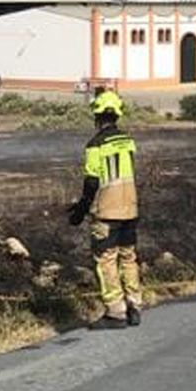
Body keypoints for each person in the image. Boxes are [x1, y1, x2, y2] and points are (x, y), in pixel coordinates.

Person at [67, 89, 142, 329]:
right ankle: (134, 305)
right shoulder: (128, 140)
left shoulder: (95, 145)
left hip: (107, 211)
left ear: (97, 116)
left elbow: (92, 181)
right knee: (128, 257)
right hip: (130, 208)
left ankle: (115, 312)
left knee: (106, 259)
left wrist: (80, 210)